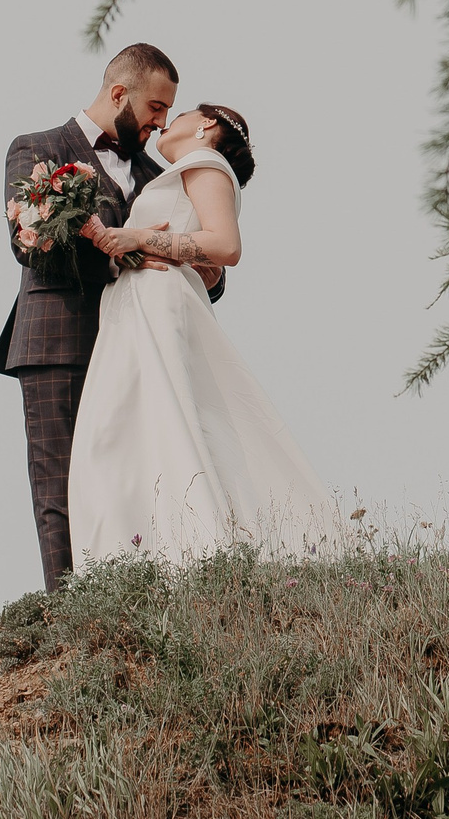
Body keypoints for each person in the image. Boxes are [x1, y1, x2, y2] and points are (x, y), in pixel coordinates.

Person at [0, 44, 227, 591]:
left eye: (168, 112)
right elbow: (30, 246)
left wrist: (201, 270)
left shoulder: (161, 174)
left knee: (137, 482)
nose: (161, 123)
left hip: (143, 348)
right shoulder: (36, 148)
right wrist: (116, 248)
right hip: (57, 340)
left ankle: (134, 614)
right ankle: (71, 621)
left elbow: (205, 258)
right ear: (120, 93)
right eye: (156, 108)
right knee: (59, 486)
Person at [64, 102, 338, 565]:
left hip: (156, 304)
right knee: (137, 430)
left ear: (206, 124)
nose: (166, 122)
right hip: (137, 305)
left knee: (150, 427)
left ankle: (191, 556)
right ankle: (148, 559)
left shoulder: (206, 163)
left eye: (181, 112)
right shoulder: (186, 170)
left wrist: (139, 239)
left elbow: (226, 246)